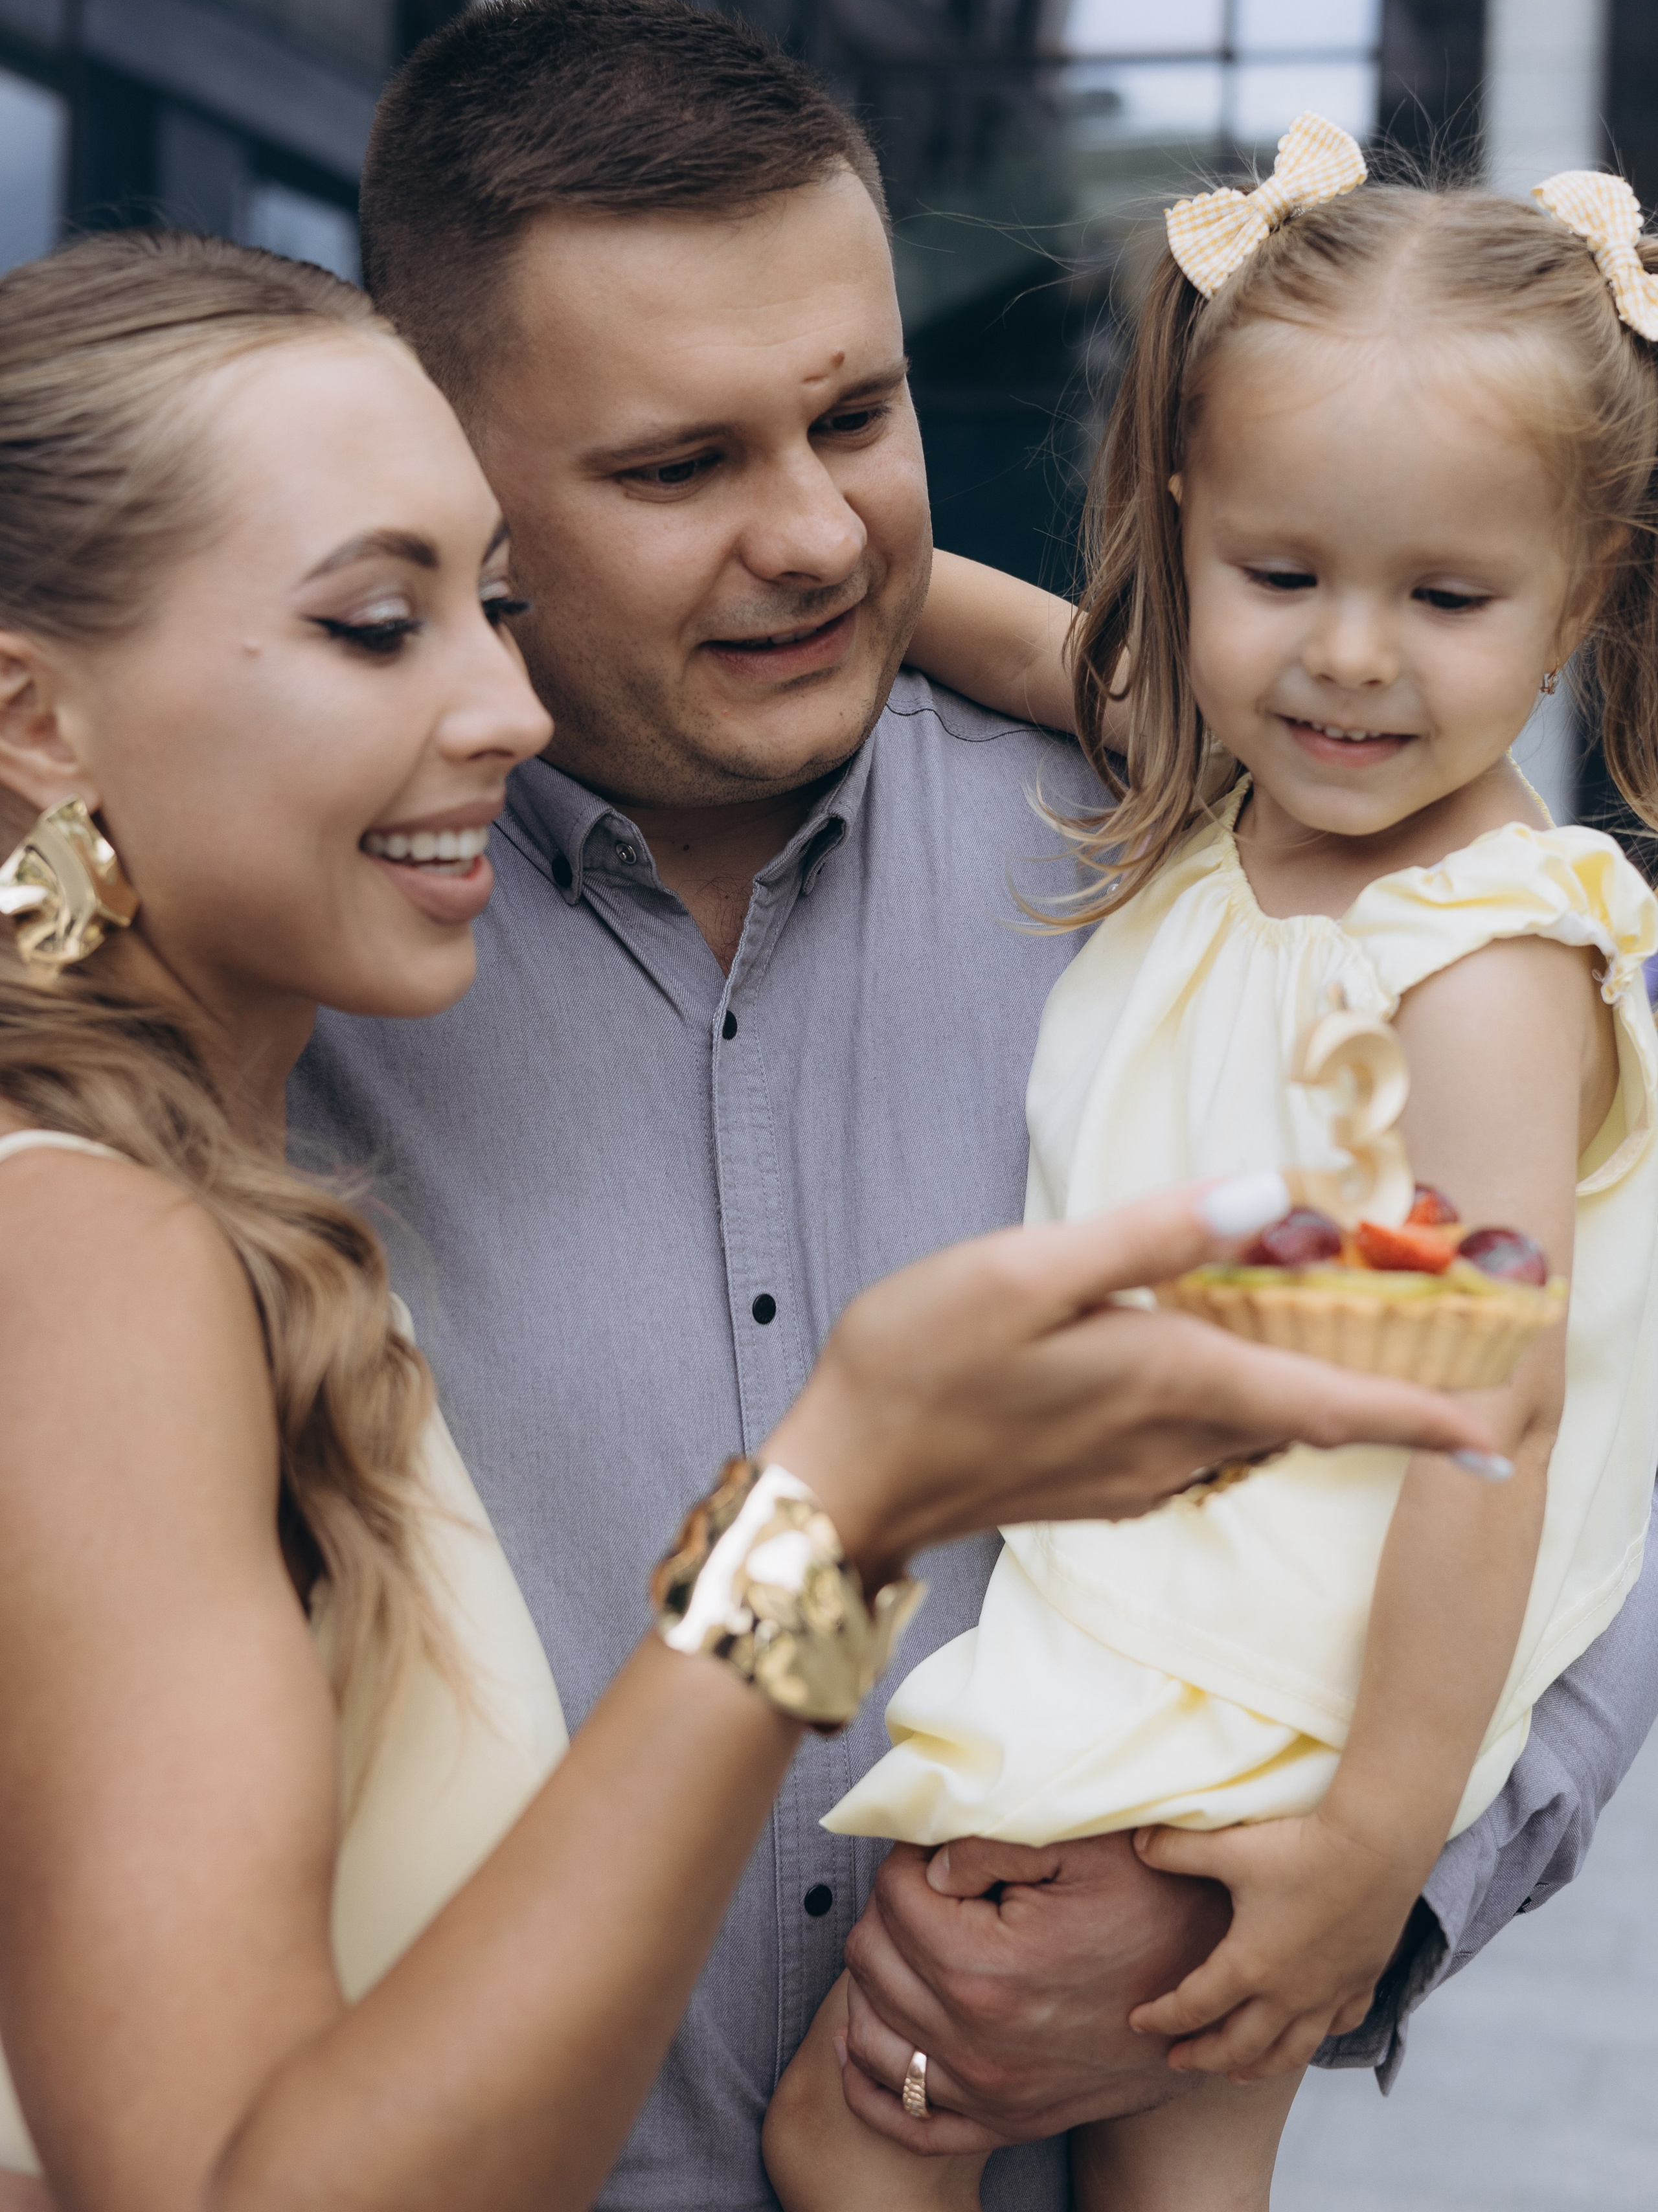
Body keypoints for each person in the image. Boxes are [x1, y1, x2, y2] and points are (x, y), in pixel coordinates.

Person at [291, 0, 1658, 2209]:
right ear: (453, 482)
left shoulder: (1205, 851)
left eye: (857, 414)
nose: (823, 539)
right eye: (680, 465)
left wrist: (1328, 1916)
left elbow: (1572, 1427)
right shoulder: (288, 959)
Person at [0, 227, 1491, 2212]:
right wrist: (836, 1503)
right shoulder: (86, 1251)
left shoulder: (1182, 852)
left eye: (491, 600)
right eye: (381, 625)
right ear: (34, 721)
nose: (506, 708)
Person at [762, 126, 1658, 2211]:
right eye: (1284, 578)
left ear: (1584, 591)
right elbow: (980, 630)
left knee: (848, 2132)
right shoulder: (1204, 779)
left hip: (1266, 1659)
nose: (1349, 658)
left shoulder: (1486, 955)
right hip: (1184, 1616)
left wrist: (1377, 1842)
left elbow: (1484, 1412)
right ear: (1180, 532)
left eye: (1446, 598)